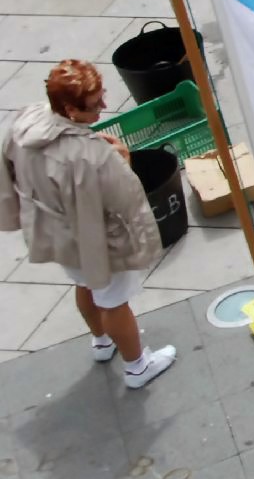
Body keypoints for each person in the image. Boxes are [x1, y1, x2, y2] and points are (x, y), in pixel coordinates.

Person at [0, 61, 176, 388]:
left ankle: (101, 341)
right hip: (95, 240)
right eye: (95, 104)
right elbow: (125, 200)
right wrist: (123, 161)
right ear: (69, 108)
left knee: (84, 285)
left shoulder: (26, 122)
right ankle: (137, 366)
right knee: (113, 300)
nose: (104, 108)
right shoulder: (90, 155)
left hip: (56, 233)